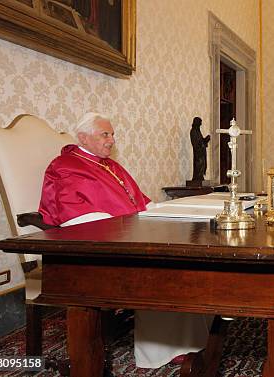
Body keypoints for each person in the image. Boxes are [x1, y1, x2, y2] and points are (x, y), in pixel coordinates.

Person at [38, 112, 211, 368]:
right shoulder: (65, 166)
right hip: (100, 243)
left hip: (130, 232)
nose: (111, 140)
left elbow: (138, 200)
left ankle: (196, 337)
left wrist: (163, 213)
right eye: (105, 134)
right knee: (165, 268)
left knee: (187, 249)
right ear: (83, 137)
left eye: (112, 134)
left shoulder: (110, 165)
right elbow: (72, 213)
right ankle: (164, 348)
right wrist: (125, 230)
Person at [190, 116, 210, 183]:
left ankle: (200, 177)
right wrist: (204, 142)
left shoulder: (198, 131)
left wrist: (206, 140)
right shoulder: (193, 131)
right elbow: (196, 144)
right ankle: (197, 178)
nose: (200, 125)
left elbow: (201, 141)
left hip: (202, 152)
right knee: (198, 165)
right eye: (200, 123)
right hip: (198, 153)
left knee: (202, 165)